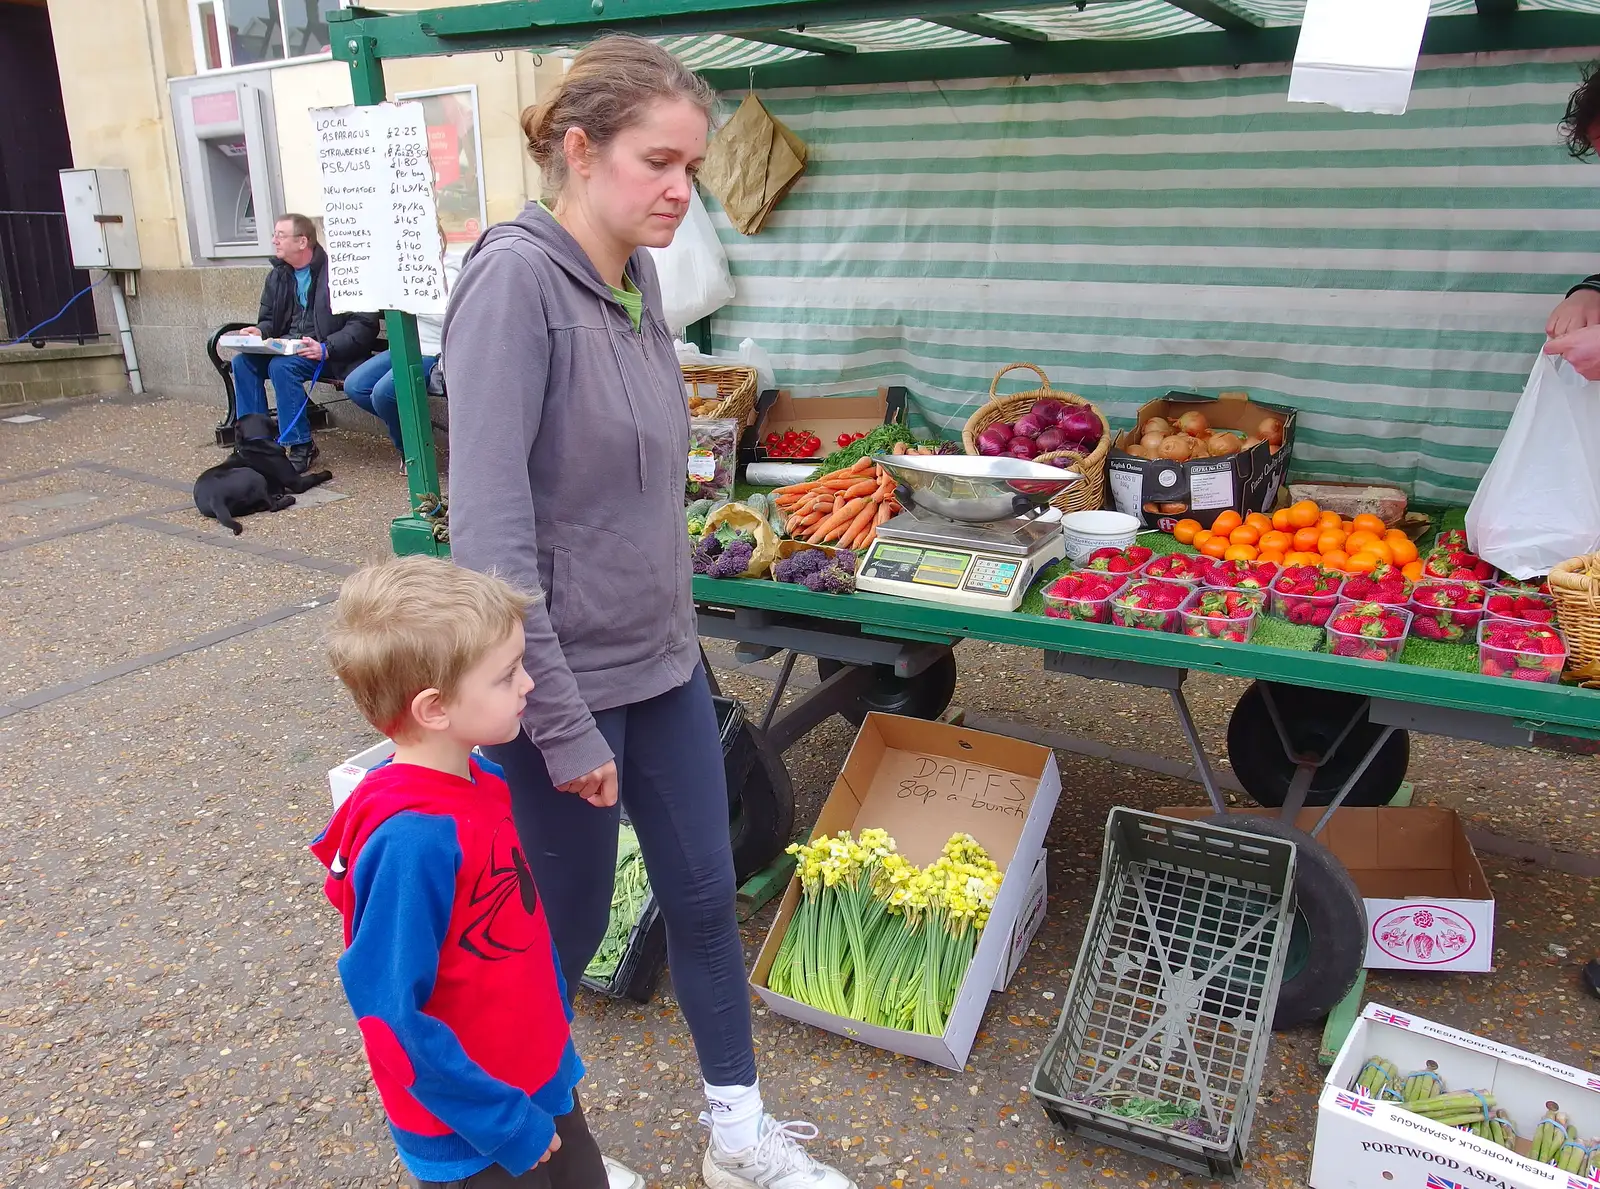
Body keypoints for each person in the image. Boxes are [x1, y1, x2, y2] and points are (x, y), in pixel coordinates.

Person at [443, 35, 857, 1189]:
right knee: (555, 940)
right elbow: (489, 540)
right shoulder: (513, 283)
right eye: (657, 161)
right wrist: (562, 728)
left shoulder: (638, 279)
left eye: (692, 164)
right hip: (553, 691)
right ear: (579, 150)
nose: (683, 188)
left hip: (664, 670)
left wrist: (679, 646)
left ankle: (738, 1136)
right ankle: (539, 1160)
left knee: (706, 899)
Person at [315, 555, 609, 1189]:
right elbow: (392, 1016)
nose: (529, 684)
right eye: (507, 676)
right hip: (477, 1130)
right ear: (435, 708)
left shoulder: (482, 780)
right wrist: (506, 1124)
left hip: (535, 1076)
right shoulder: (412, 842)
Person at [232, 213, 378, 472]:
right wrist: (259, 332)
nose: (274, 240)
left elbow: (364, 324)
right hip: (288, 348)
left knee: (281, 367)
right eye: (275, 234)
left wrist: (326, 348)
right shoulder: (278, 275)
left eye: (280, 235)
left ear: (302, 242)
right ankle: (256, 445)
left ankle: (301, 445)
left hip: (331, 353)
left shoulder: (341, 272)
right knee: (243, 362)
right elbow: (269, 321)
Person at [343, 223, 462, 470]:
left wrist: (411, 303)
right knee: (356, 385)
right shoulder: (402, 270)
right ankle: (415, 430)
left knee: (384, 393)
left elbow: (450, 317)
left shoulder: (451, 271)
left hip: (434, 350)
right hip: (407, 344)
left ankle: (411, 453)